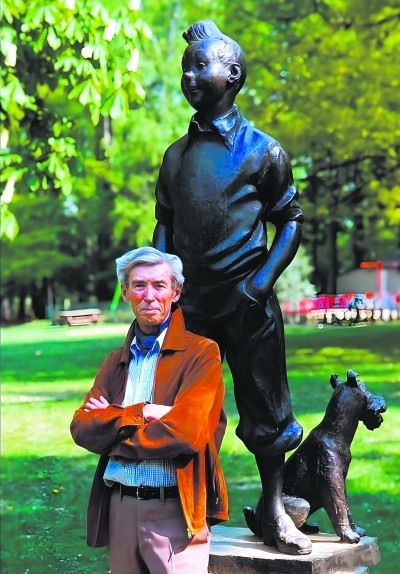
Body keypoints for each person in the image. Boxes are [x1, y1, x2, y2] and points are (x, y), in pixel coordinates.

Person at [153, 20, 312, 555]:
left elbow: (289, 221)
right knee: (188, 410)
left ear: (234, 75)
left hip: (248, 303)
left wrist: (260, 284)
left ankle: (275, 509)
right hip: (191, 307)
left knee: (266, 407)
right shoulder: (175, 156)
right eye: (186, 67)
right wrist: (166, 283)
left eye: (202, 65)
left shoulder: (263, 151)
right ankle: (190, 509)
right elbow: (164, 223)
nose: (190, 76)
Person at [70, 246, 228, 574]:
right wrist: (145, 412)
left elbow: (187, 433)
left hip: (175, 510)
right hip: (120, 508)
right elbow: (82, 427)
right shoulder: (115, 362)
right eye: (139, 285)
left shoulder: (202, 354)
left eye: (159, 285)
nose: (149, 295)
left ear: (175, 292)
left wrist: (113, 431)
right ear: (125, 292)